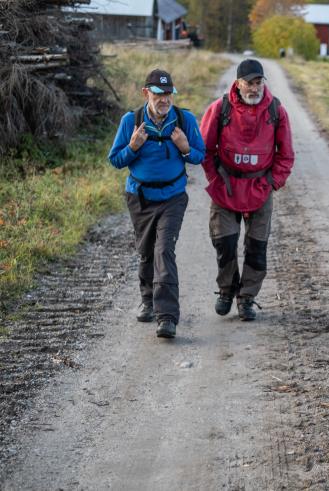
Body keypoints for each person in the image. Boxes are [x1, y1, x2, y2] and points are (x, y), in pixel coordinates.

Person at [108, 68, 205, 339]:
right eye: (158, 94)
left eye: (168, 94)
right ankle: (148, 300)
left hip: (173, 198)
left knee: (164, 251)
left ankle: (167, 317)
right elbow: (115, 160)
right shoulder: (132, 121)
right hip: (139, 198)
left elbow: (200, 156)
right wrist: (133, 147)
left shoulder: (184, 120)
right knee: (147, 251)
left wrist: (185, 148)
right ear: (146, 93)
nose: (164, 100)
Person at [199, 59, 295, 321]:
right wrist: (214, 179)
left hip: (259, 187)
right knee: (224, 243)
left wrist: (273, 182)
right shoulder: (220, 109)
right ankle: (227, 291)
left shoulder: (276, 110)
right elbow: (204, 150)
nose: (254, 88)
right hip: (226, 187)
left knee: (256, 248)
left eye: (258, 82)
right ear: (238, 83)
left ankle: (247, 298)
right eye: (248, 83)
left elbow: (285, 155)